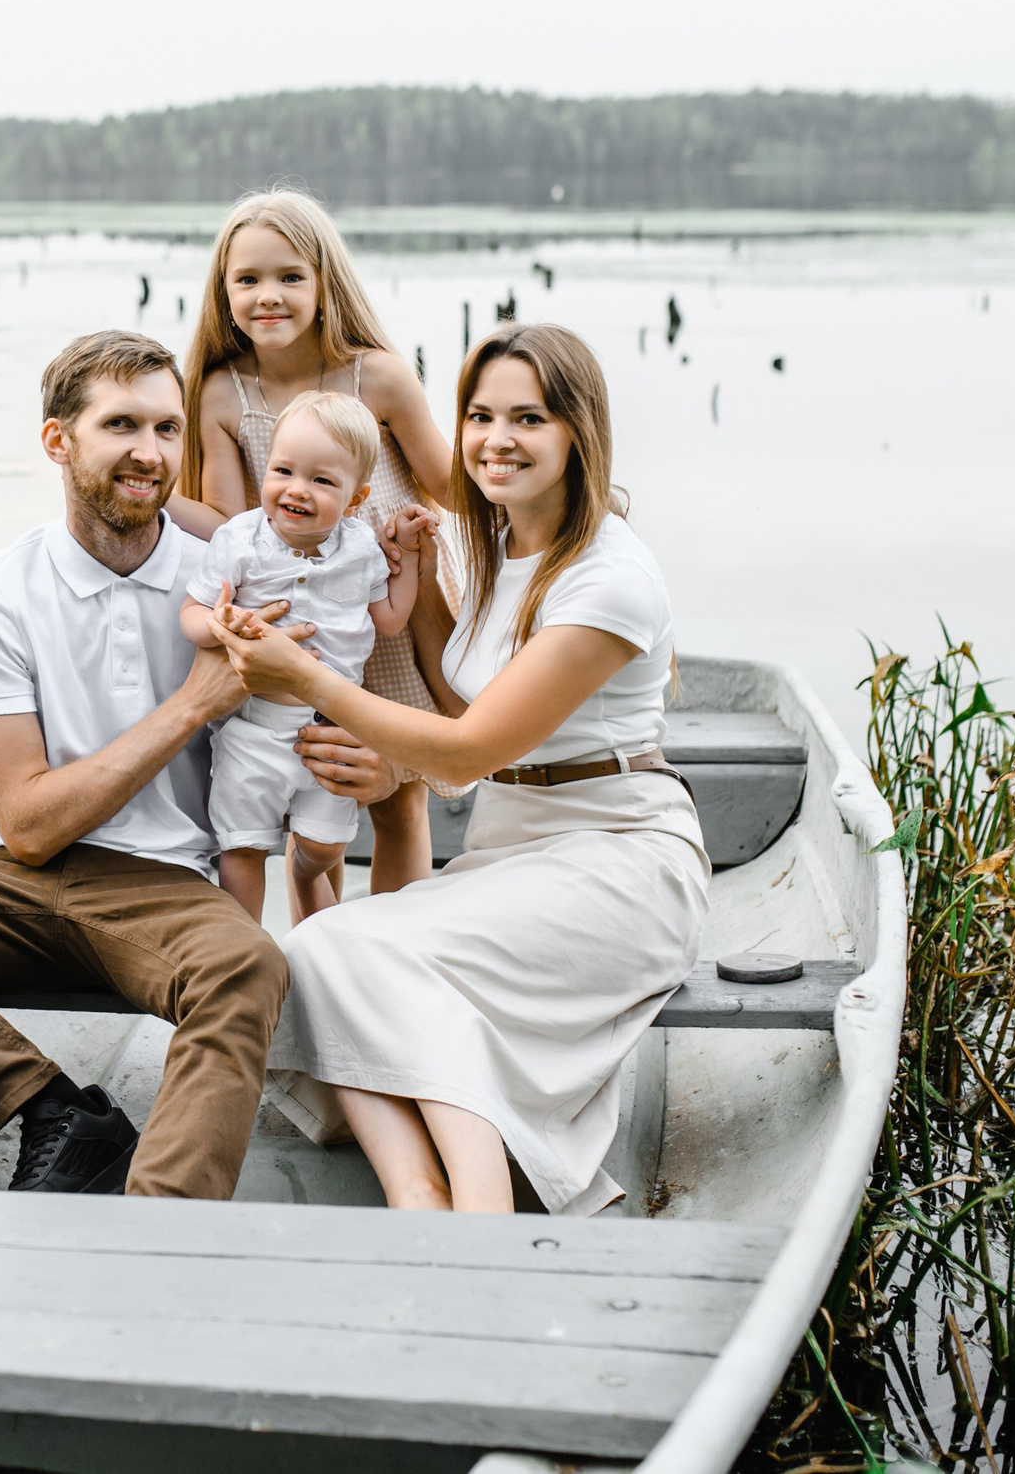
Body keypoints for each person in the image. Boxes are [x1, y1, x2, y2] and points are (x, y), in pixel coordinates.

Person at [0, 330, 398, 1200]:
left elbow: (342, 675)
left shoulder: (232, 575)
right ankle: (46, 1102)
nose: (151, 451)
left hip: (163, 888)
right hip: (3, 885)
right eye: (121, 424)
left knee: (247, 963)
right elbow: (26, 826)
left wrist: (376, 768)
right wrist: (192, 704)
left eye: (167, 428)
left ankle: (156, 1226)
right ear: (58, 440)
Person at [208, 322, 708, 1217]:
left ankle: (482, 1213)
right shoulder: (490, 542)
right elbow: (454, 692)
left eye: (528, 418)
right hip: (511, 849)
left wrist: (307, 678)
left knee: (394, 963)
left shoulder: (611, 577)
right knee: (316, 948)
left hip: (619, 859)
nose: (495, 439)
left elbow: (474, 748)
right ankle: (417, 1190)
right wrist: (421, 577)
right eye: (479, 415)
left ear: (579, 432)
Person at [178, 190, 458, 917]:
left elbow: (448, 485)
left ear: (323, 282)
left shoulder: (377, 376)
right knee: (309, 794)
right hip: (296, 618)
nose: (267, 295)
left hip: (383, 604)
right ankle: (314, 957)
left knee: (395, 795)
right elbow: (226, 520)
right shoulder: (221, 393)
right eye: (247, 279)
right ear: (224, 291)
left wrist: (544, 491)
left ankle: (396, 954)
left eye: (289, 276)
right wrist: (149, 500)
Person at [178, 390, 437, 921]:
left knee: (324, 844)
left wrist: (409, 556)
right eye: (283, 471)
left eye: (321, 480)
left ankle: (304, 874)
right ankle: (245, 948)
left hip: (331, 730)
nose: (297, 489)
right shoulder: (241, 539)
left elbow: (389, 618)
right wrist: (219, 625)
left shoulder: (360, 547)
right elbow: (192, 613)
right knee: (243, 848)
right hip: (254, 731)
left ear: (355, 498)